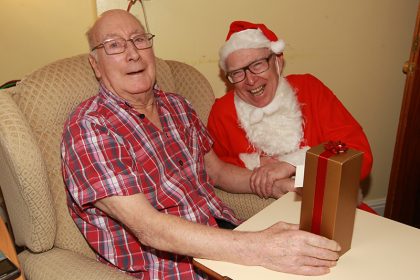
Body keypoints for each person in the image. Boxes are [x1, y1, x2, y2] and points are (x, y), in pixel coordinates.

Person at [61, 10, 340, 279]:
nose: (133, 53)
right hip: (168, 268)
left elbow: (216, 172)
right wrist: (261, 248)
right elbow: (149, 228)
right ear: (96, 65)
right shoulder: (90, 127)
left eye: (139, 39)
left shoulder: (178, 105)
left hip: (225, 239)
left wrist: (269, 182)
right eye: (114, 45)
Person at [208, 21, 374, 206]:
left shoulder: (310, 89)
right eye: (238, 73)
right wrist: (260, 163)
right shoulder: (222, 112)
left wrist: (290, 165)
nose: (251, 80)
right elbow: (215, 170)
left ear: (277, 61)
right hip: (262, 216)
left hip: (332, 206)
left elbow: (358, 156)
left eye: (257, 64)